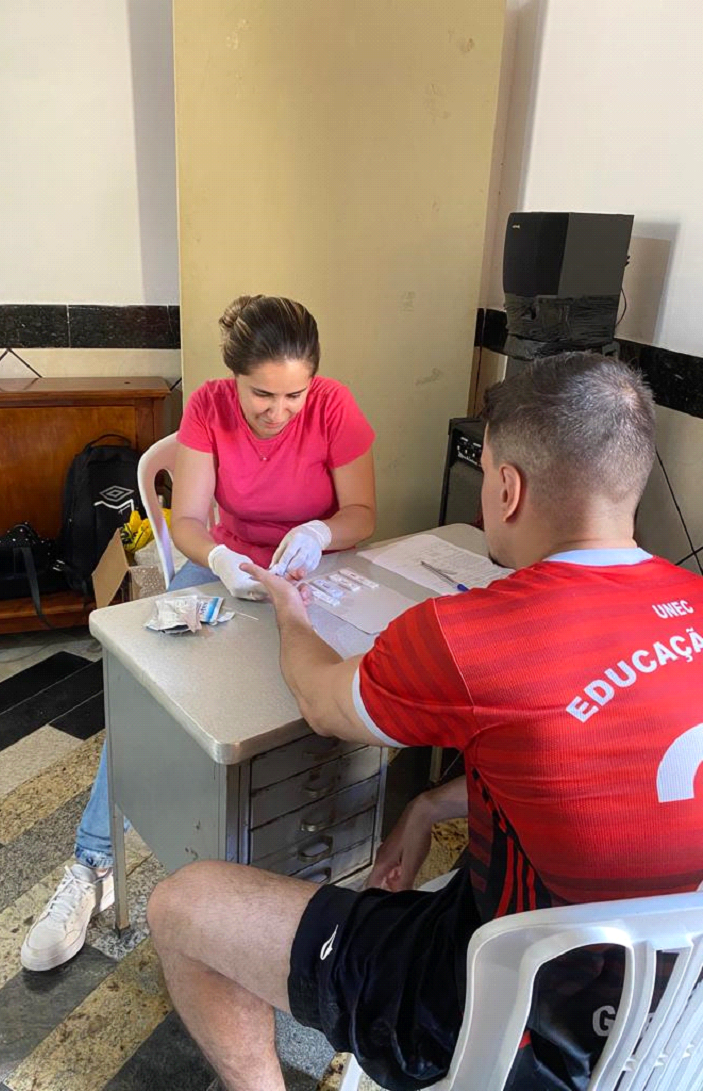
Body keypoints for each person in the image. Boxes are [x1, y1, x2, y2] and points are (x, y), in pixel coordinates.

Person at [145, 353, 703, 1091]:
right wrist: (427, 804)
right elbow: (604, 772)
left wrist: (290, 609)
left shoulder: (470, 634)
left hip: (517, 1023)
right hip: (677, 1021)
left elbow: (320, 700)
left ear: (506, 488)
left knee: (181, 904)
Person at [20, 294, 376, 972]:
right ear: (234, 377)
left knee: (323, 688)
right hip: (225, 570)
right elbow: (185, 521)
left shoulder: (334, 406)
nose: (278, 411)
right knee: (149, 694)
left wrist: (319, 532)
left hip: (312, 570)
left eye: (293, 395)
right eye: (262, 394)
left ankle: (301, 854)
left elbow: (361, 511)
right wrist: (218, 558)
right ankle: (93, 862)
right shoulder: (208, 406)